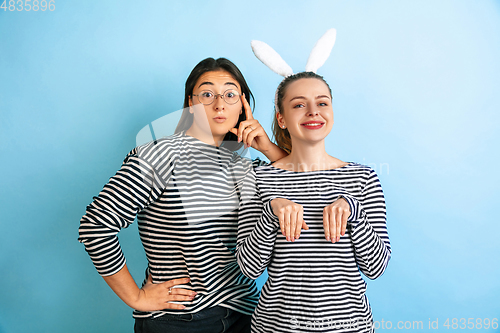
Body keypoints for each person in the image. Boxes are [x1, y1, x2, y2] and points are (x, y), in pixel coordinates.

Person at [78, 57, 287, 333]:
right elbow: (95, 226)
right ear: (191, 102)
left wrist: (269, 148)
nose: (219, 104)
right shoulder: (160, 155)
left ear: (243, 105)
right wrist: (136, 297)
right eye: (208, 93)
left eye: (230, 94)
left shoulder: (246, 166)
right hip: (180, 321)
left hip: (246, 314)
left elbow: (304, 188)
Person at [236, 71, 391, 332]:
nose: (312, 111)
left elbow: (376, 267)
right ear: (281, 119)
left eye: (322, 103)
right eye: (299, 104)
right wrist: (271, 211)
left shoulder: (362, 178)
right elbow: (249, 268)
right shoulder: (258, 177)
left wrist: (352, 209)